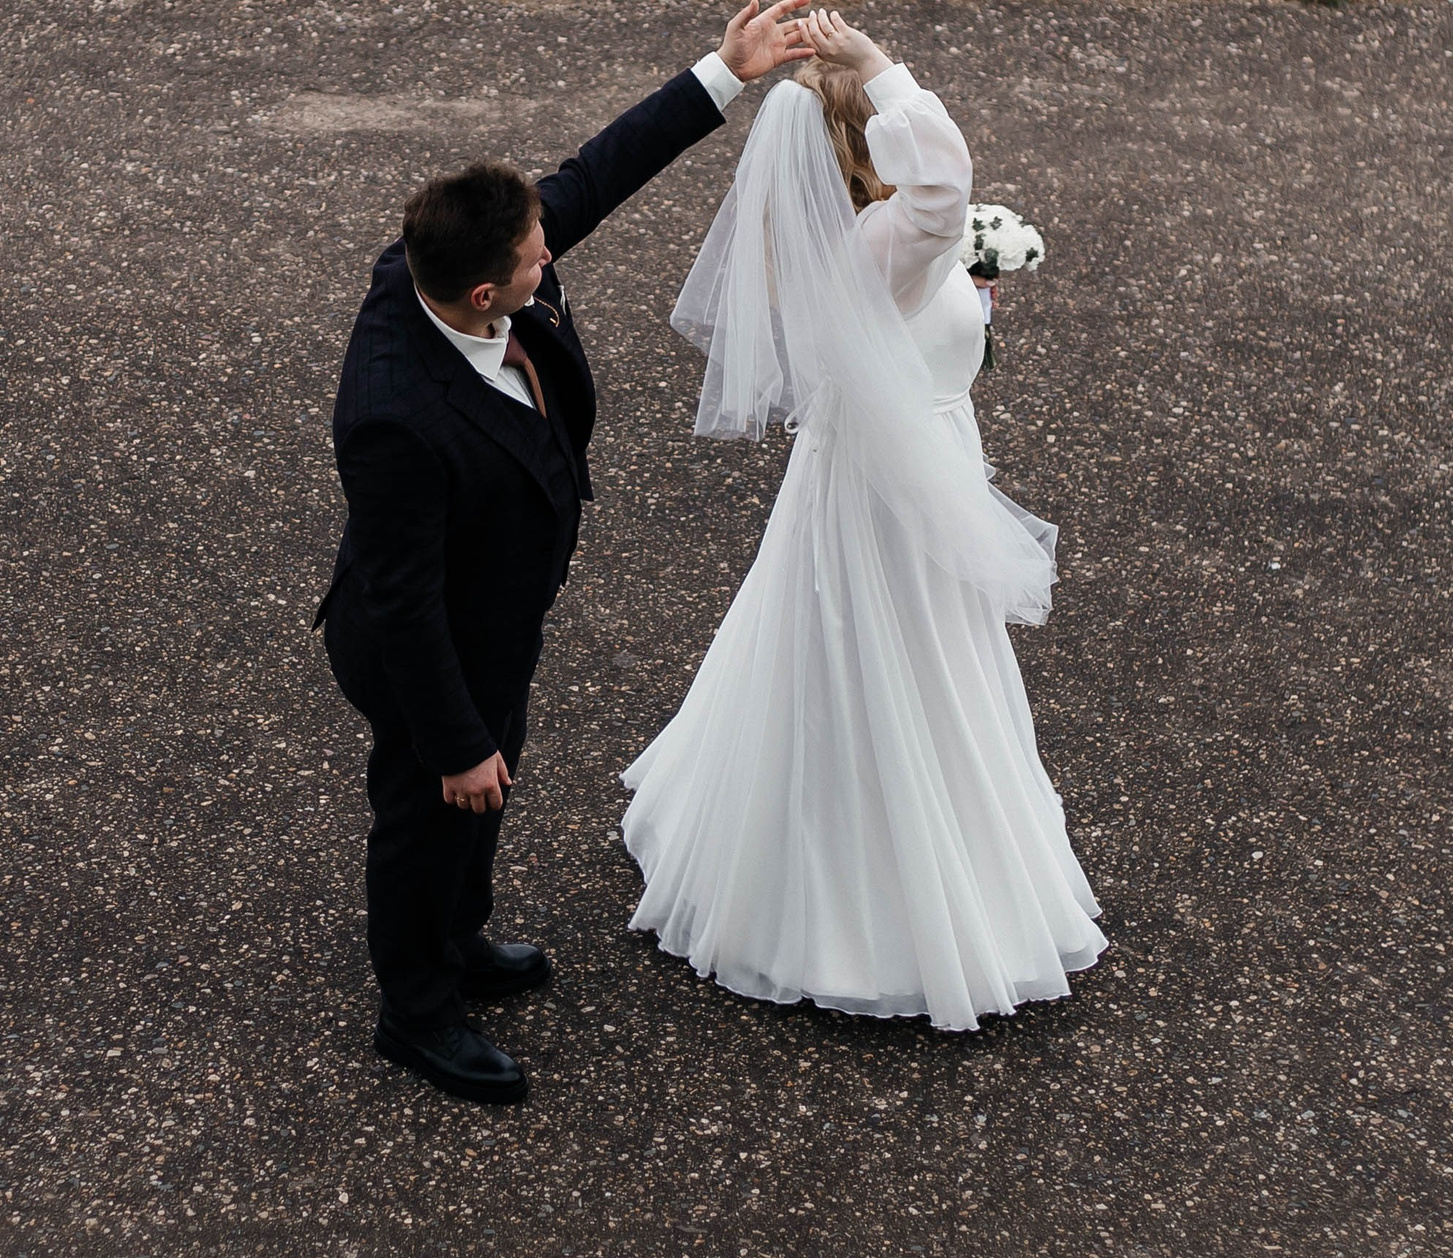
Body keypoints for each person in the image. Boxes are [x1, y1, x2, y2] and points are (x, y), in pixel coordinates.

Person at [316, 2, 817, 1104]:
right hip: (425, 651)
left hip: (495, 611)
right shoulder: (393, 415)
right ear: (485, 293)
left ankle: (462, 935)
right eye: (537, 253)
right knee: (431, 806)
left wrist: (724, 76)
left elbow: (595, 173)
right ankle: (416, 1006)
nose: (555, 245)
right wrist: (452, 742)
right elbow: (401, 600)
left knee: (492, 785)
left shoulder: (461, 262)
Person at [620, 11, 1107, 1031]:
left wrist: (967, 300)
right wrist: (883, 69)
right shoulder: (888, 238)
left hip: (854, 481)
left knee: (827, 658)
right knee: (911, 666)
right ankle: (889, 912)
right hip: (899, 500)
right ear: (864, 142)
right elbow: (942, 185)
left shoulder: (840, 249)